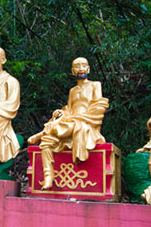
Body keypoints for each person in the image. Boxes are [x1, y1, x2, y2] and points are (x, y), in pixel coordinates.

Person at [27, 57, 110, 189]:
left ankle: (42, 132)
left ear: (88, 68)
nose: (81, 69)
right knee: (47, 142)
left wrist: (76, 118)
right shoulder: (73, 91)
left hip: (85, 123)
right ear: (72, 71)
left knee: (59, 127)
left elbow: (98, 108)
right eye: (77, 66)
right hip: (69, 123)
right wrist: (62, 113)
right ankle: (48, 176)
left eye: (84, 65)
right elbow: (69, 110)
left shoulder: (95, 85)